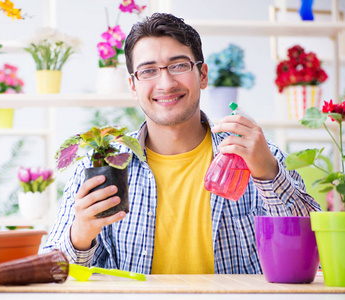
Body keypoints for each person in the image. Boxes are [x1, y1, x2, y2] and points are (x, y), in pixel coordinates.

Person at [41, 13, 321, 274]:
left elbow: (318, 251)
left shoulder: (260, 155)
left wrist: (269, 174)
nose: (166, 82)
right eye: (148, 71)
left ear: (203, 75)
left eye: (178, 66)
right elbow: (51, 269)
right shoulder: (100, 165)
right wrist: (79, 236)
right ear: (133, 85)